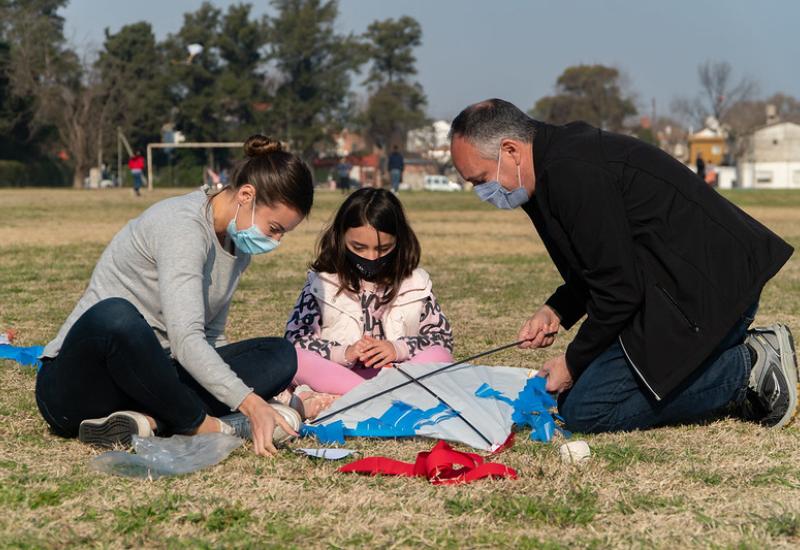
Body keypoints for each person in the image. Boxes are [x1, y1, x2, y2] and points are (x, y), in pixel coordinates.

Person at [449, 99, 796, 434]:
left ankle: (747, 367)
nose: (483, 191)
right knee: (580, 394)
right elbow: (601, 264)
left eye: (481, 179)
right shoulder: (545, 171)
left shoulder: (573, 172)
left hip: (711, 294)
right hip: (671, 288)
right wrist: (556, 309)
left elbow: (619, 289)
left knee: (588, 410)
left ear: (510, 150)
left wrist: (571, 363)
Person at [36, 135, 316, 457]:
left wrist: (233, 387)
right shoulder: (182, 227)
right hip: (80, 386)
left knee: (279, 355)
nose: (275, 241)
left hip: (152, 381)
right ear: (246, 195)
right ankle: (208, 425)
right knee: (117, 317)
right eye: (275, 228)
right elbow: (186, 340)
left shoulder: (238, 245)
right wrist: (249, 402)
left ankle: (147, 420)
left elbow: (211, 336)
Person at [285, 187, 454, 395]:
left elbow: (442, 340)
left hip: (399, 376)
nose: (372, 258)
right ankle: (370, 397)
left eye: (383, 249)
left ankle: (369, 398)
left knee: (439, 356)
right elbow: (296, 340)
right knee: (295, 359)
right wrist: (345, 353)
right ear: (340, 238)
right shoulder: (322, 283)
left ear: (399, 242)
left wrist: (397, 349)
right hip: (340, 377)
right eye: (358, 247)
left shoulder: (415, 283)